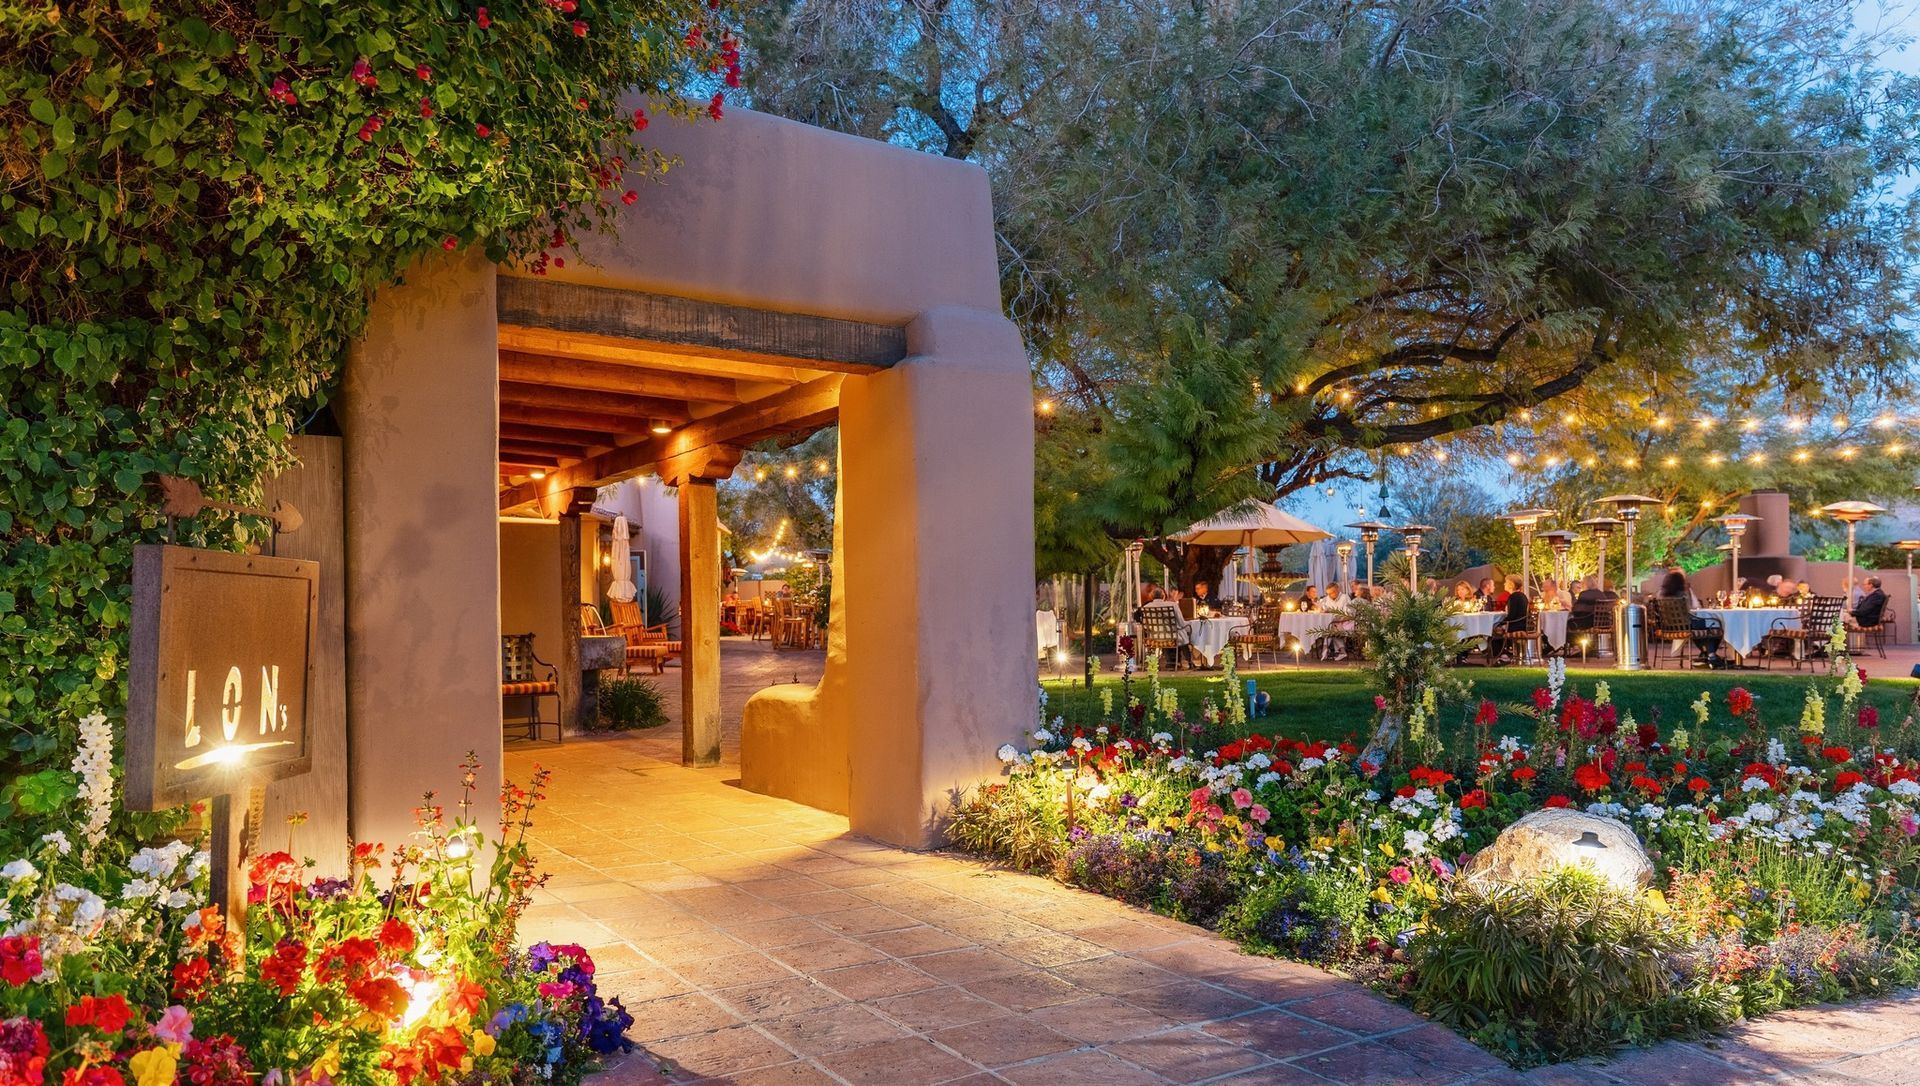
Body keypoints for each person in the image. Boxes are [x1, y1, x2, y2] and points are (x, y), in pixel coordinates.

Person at [1659, 569, 1723, 665]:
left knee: (1700, 628)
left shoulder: (1661, 596)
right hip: (1687, 625)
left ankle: (1705, 653)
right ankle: (1711, 654)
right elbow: (1692, 609)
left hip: (1669, 627)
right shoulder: (1682, 596)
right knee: (1714, 624)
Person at [1490, 575, 1531, 663]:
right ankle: (1504, 654)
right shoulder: (1522, 596)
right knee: (1497, 629)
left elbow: (1512, 616)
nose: (1504, 584)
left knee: (1492, 632)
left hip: (1516, 626)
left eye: (1506, 582)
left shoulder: (1514, 597)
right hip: (1521, 624)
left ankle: (1503, 656)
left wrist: (1501, 624)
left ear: (1511, 584)